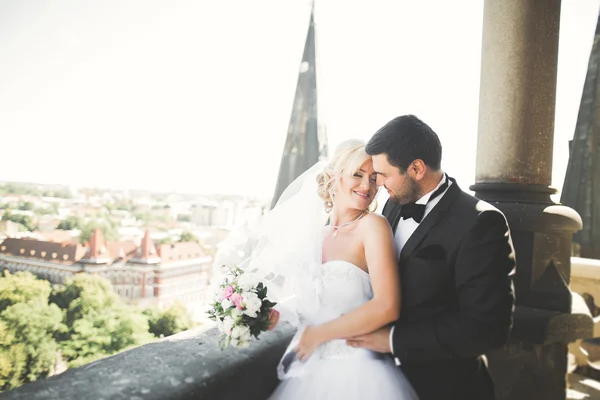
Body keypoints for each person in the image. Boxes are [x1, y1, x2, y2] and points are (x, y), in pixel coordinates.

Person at [213, 139, 418, 399]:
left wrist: (319, 334)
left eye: (374, 178)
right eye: (357, 174)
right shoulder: (317, 236)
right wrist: (273, 314)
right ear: (334, 177)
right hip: (312, 369)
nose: (367, 185)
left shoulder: (373, 227)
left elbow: (386, 306)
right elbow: (315, 298)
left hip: (356, 371)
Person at [346, 115, 516, 400]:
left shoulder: (481, 222)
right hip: (378, 382)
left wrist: (391, 340)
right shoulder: (393, 204)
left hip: (445, 387)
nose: (378, 184)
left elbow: (488, 328)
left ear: (416, 168)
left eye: (384, 175)